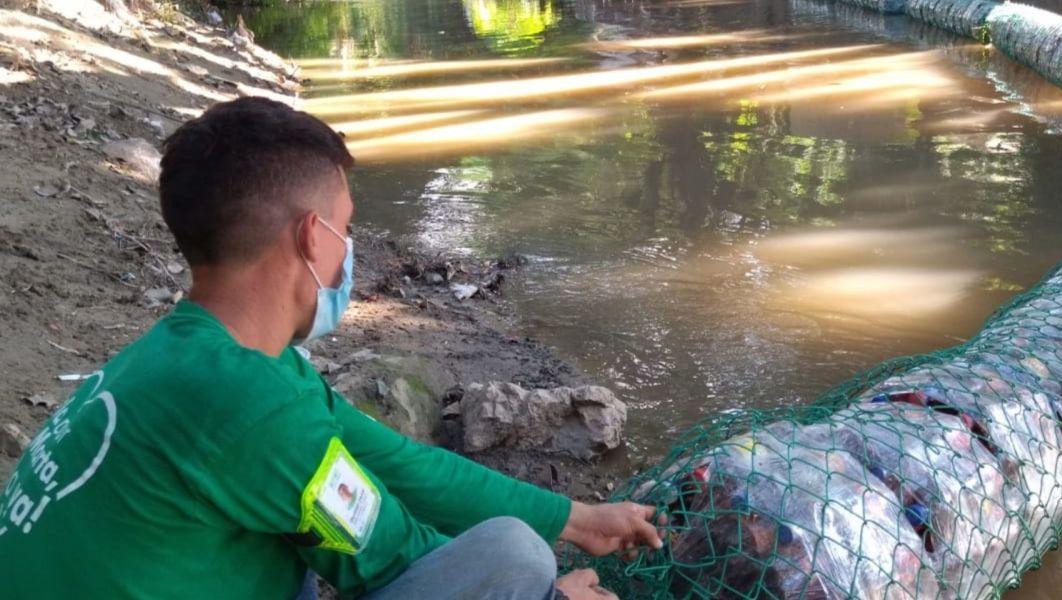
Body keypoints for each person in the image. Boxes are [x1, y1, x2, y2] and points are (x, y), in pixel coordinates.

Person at [0, 97, 661, 599]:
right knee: (516, 556)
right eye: (346, 229)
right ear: (313, 238)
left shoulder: (201, 355)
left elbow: (398, 464)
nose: (349, 251)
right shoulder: (247, 407)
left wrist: (577, 518)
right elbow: (393, 553)